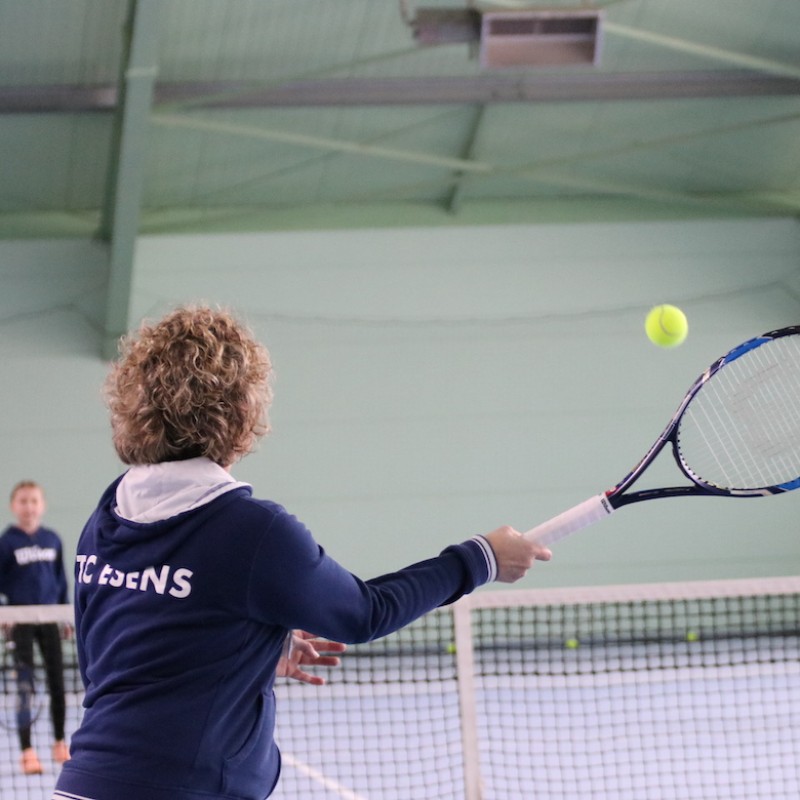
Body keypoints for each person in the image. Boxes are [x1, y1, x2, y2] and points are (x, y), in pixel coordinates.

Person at [53, 305, 551, 800]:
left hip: (82, 785)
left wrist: (244, 653)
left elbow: (115, 659)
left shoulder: (107, 516)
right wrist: (481, 557)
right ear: (241, 409)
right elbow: (365, 613)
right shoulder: (252, 530)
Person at [0, 480, 70, 775]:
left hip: (51, 619)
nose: (29, 507)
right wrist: (5, 615)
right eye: (23, 501)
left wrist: (66, 615)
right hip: (21, 621)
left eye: (34, 501)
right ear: (13, 506)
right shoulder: (6, 542)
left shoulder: (52, 539)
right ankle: (27, 751)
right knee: (25, 685)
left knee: (58, 683)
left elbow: (61, 581)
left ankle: (59, 743)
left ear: (42, 505)